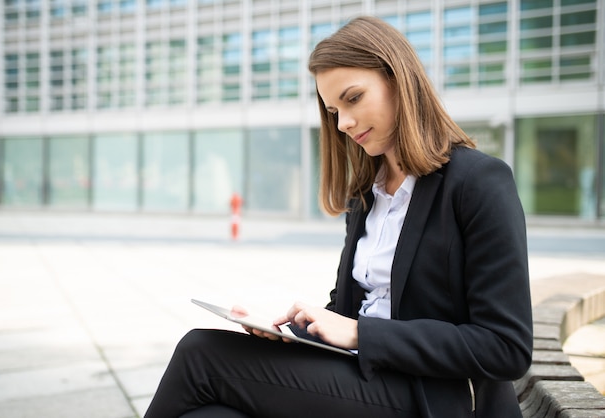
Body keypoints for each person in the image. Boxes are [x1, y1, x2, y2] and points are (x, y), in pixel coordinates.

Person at [144, 16, 532, 418]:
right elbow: (349, 310)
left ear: (398, 80)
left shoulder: (478, 182)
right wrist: (292, 332)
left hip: (433, 398)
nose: (343, 123)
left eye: (353, 98)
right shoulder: (366, 195)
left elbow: (505, 347)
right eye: (333, 111)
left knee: (201, 353)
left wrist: (361, 334)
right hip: (364, 379)